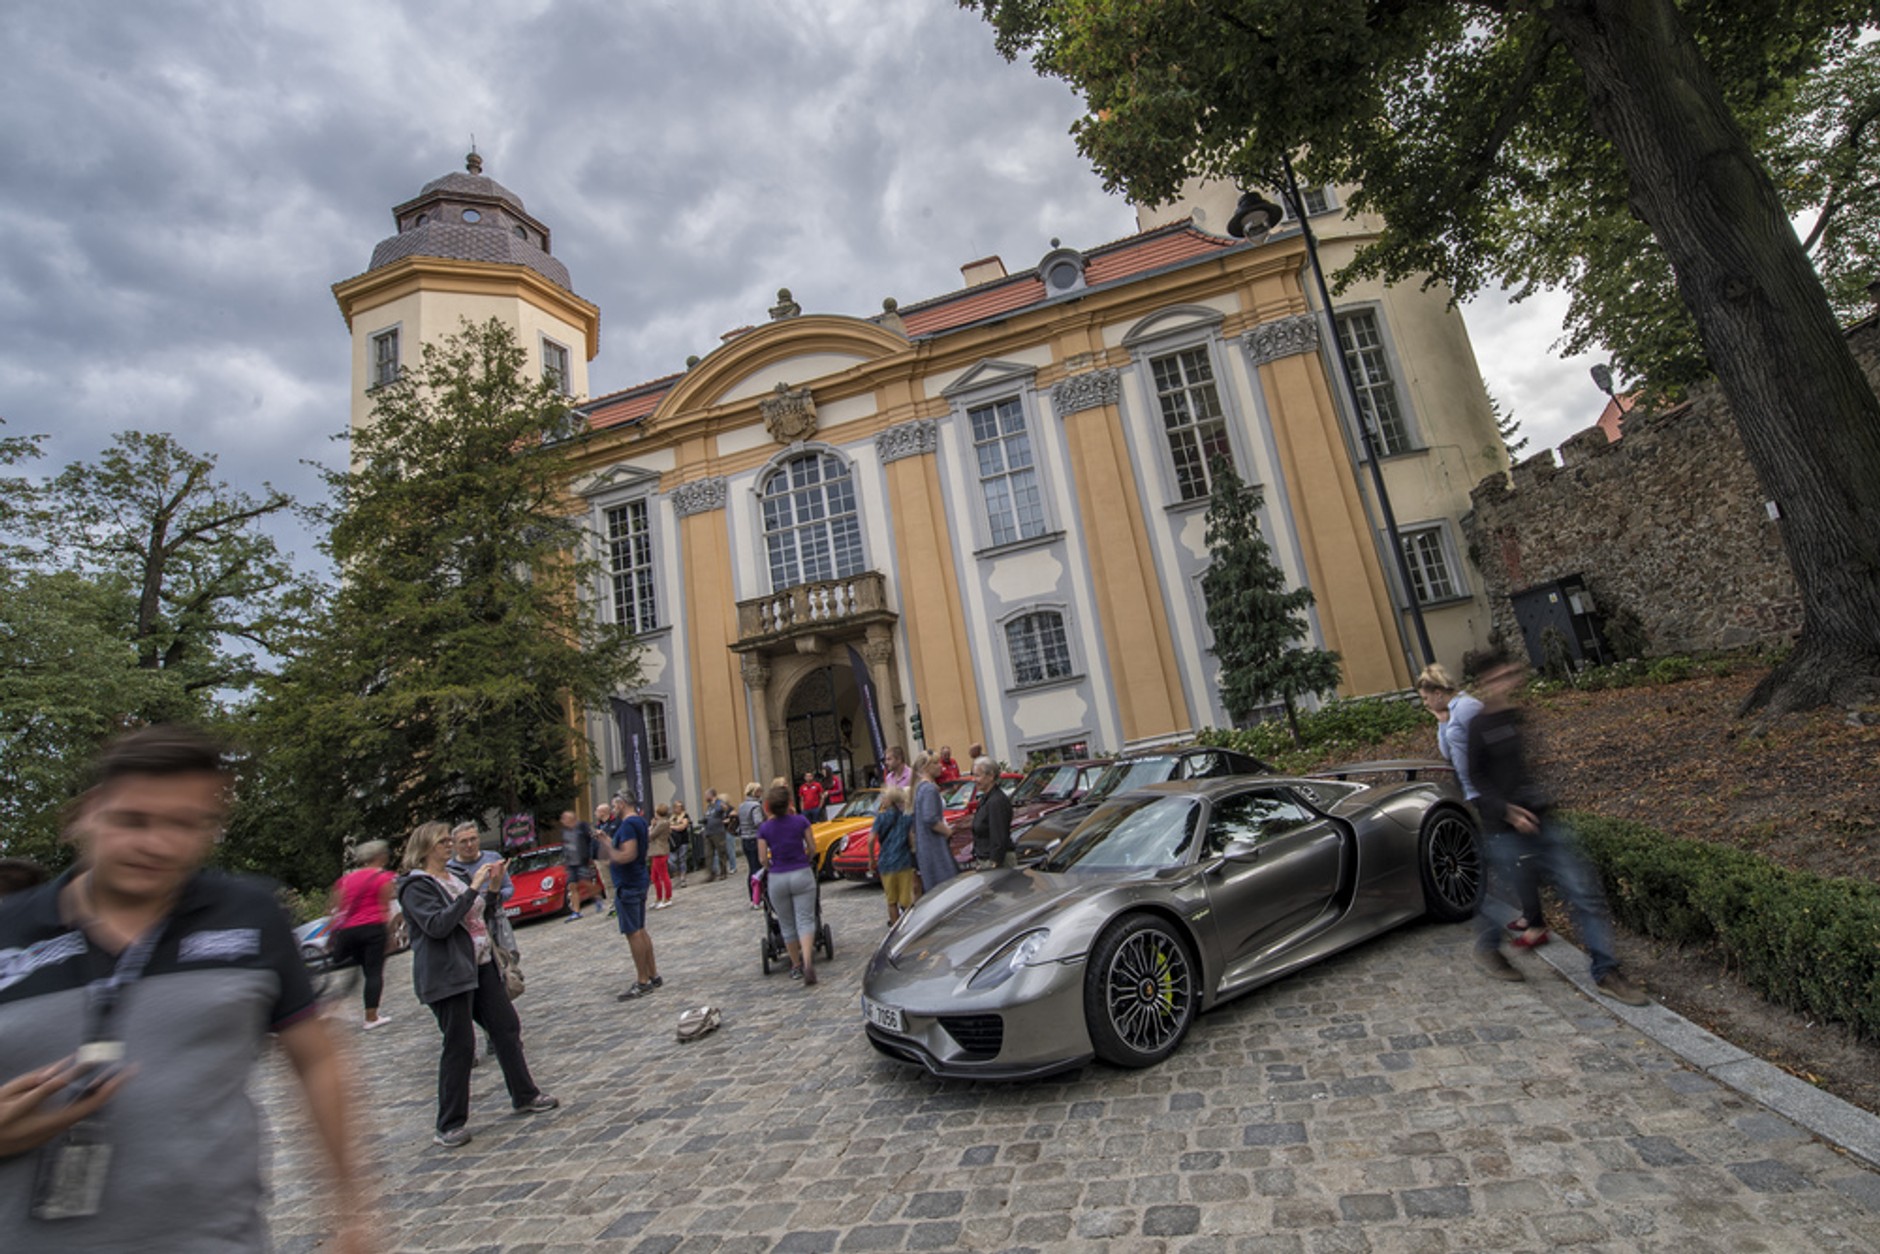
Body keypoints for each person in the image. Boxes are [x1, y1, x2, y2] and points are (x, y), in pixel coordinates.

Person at [0, 726, 368, 1252]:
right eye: (133, 820)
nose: (157, 845)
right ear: (85, 814)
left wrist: (352, 1211)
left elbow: (315, 1058)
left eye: (185, 824)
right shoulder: (7, 930)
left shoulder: (251, 915)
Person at [1466, 650, 1649, 1006]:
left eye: (1509, 675)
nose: (1507, 683)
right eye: (1499, 677)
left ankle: (1606, 971)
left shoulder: (1516, 716)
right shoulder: (1478, 726)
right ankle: (1488, 948)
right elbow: (1475, 779)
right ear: (1485, 683)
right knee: (1502, 900)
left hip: (1541, 821)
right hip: (1503, 828)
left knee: (1584, 892)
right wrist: (1507, 812)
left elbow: (1521, 768)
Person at [399, 822, 557, 1148]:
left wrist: (493, 888)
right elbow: (438, 925)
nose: (450, 845)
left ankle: (524, 1094)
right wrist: (473, 888)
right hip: (448, 975)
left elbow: (478, 916)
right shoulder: (416, 886)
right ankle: (449, 1124)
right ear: (425, 848)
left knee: (506, 1027)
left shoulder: (453, 877)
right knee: (460, 1045)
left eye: (449, 840)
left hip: (481, 966)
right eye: (443, 841)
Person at [1418, 661, 1546, 950]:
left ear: (1438, 692)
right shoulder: (1450, 712)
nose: (1424, 703)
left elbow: (1491, 747)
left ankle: (1534, 921)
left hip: (1488, 791)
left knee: (1510, 856)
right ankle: (1530, 916)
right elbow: (1447, 752)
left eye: (1426, 697)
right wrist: (1440, 720)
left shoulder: (1467, 708)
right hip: (1475, 792)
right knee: (1508, 856)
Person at [329, 839, 397, 1028]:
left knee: (356, 969)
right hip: (373, 928)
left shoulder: (346, 879)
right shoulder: (384, 878)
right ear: (380, 856)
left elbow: (336, 907)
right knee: (374, 973)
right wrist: (390, 935)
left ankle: (335, 1005)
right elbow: (385, 907)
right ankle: (371, 1017)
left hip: (349, 931)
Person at [756, 784, 820, 985]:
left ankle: (795, 965)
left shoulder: (765, 828)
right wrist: (807, 858)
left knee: (786, 922)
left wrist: (771, 866)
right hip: (801, 873)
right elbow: (812, 847)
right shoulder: (801, 821)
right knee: (805, 919)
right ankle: (808, 961)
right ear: (789, 803)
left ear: (769, 806)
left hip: (778, 877)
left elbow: (762, 858)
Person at [605, 801, 661, 1001]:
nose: (612, 809)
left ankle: (643, 981)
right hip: (638, 879)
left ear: (622, 804)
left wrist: (607, 848)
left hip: (628, 882)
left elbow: (627, 854)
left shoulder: (628, 825)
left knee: (633, 932)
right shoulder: (639, 821)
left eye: (614, 805)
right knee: (640, 929)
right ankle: (653, 974)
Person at [869, 786, 918, 925]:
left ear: (890, 800)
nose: (881, 800)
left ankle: (895, 928)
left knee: (892, 901)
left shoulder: (881, 818)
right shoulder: (906, 817)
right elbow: (911, 839)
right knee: (906, 900)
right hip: (904, 862)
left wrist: (871, 859)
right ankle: (909, 927)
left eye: (883, 797)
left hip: (886, 863)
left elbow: (870, 839)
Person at [911, 753, 958, 891]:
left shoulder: (920, 788)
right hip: (934, 846)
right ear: (926, 767)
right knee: (944, 887)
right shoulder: (929, 789)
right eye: (936, 763)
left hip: (925, 846)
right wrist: (948, 832)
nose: (940, 767)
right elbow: (930, 818)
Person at [969, 756, 1015, 870]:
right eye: (973, 775)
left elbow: (998, 836)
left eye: (977, 776)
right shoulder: (986, 799)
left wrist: (994, 863)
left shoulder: (996, 801)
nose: (974, 779)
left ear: (990, 776)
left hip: (996, 863)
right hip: (985, 859)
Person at [558, 809, 597, 920]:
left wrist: (590, 856)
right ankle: (576, 911)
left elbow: (591, 841)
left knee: (586, 883)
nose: (563, 821)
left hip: (582, 861)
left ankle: (597, 896)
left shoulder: (582, 827)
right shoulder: (564, 831)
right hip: (571, 863)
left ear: (572, 818)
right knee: (572, 886)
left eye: (565, 818)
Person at [737, 784, 765, 910]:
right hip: (754, 838)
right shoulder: (755, 806)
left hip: (745, 839)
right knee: (758, 869)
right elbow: (758, 822)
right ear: (755, 792)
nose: (761, 793)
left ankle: (752, 897)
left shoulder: (742, 805)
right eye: (759, 791)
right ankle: (758, 898)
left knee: (751, 868)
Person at [647, 804, 674, 909]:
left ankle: (667, 898)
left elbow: (651, 836)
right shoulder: (661, 822)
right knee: (654, 877)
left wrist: (651, 826)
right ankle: (658, 898)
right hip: (656, 852)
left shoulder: (662, 823)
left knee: (663, 875)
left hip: (660, 851)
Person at [702, 790, 732, 883]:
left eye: (706, 795)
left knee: (721, 852)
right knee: (708, 854)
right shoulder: (709, 806)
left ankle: (723, 872)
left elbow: (726, 809)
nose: (705, 797)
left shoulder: (719, 803)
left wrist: (724, 808)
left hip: (718, 832)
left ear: (711, 795)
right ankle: (711, 873)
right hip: (708, 832)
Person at [668, 800, 693, 889]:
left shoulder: (685, 815)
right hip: (673, 842)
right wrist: (675, 826)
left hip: (682, 840)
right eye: (677, 807)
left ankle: (683, 878)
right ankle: (677, 872)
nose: (679, 808)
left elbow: (682, 827)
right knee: (671, 860)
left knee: (682, 859)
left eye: (680, 806)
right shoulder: (672, 817)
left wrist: (672, 827)